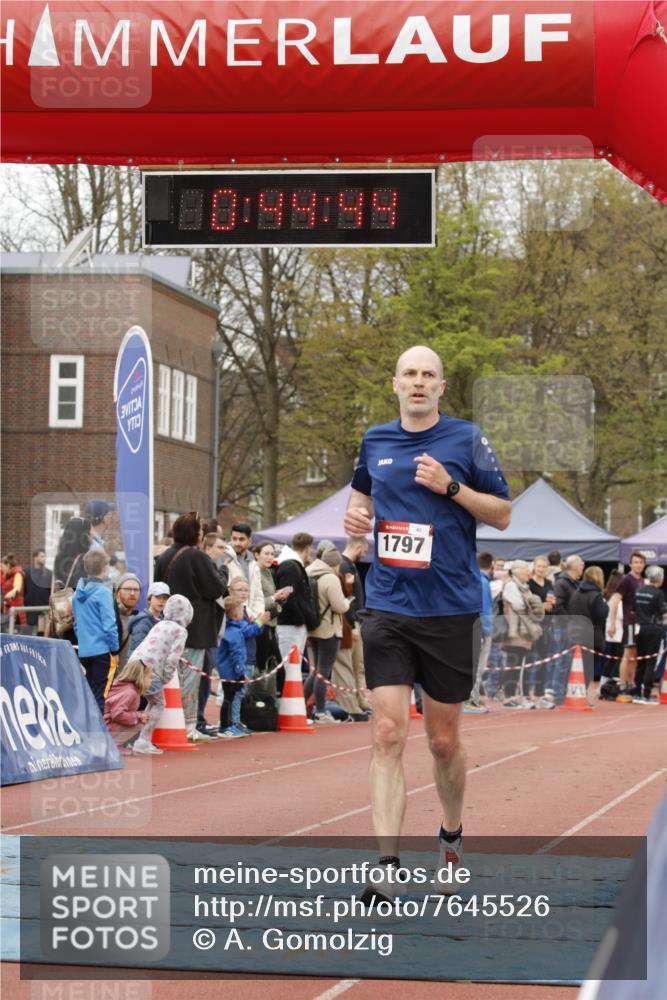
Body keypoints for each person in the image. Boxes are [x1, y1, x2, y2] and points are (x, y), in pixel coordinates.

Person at [343, 344, 511, 905]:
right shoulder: (375, 441)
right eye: (410, 374)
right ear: (395, 383)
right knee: (388, 732)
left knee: (442, 741)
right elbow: (360, 505)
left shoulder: (466, 439)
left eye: (428, 375)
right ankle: (387, 867)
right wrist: (354, 526)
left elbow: (503, 514)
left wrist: (451, 487)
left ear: (441, 387)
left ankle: (452, 837)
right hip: (388, 604)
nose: (418, 382)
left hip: (449, 607)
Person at [154, 512, 226, 743]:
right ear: (195, 533)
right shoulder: (197, 557)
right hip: (195, 628)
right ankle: (188, 725)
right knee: (190, 680)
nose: (202, 535)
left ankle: (167, 722)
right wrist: (223, 573)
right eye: (200, 531)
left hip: (168, 625)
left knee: (169, 676)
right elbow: (215, 589)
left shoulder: (164, 556)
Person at [131, 595, 194, 755]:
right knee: (159, 704)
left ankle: (136, 738)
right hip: (151, 671)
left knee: (147, 701)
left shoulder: (159, 624)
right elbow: (173, 658)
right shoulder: (180, 631)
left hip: (134, 664)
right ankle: (143, 741)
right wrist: (166, 677)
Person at [305, 547, 352, 724]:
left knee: (316, 670)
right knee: (323, 671)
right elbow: (340, 606)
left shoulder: (309, 572)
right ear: (335, 564)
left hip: (313, 627)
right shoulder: (331, 578)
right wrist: (347, 602)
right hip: (329, 629)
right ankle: (321, 712)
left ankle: (299, 706)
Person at [72, 549, 120, 714]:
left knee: (88, 695)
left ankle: (87, 727)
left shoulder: (77, 595)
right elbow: (109, 625)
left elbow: (76, 625)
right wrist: (115, 650)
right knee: (101, 696)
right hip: (102, 651)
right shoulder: (103, 593)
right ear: (105, 568)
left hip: (85, 651)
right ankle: (97, 730)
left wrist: (85, 640)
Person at [217, 595, 269, 739]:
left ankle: (230, 724)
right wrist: (240, 672)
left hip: (229, 671)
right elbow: (237, 653)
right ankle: (226, 726)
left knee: (230, 698)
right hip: (231, 672)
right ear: (235, 614)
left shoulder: (233, 628)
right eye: (241, 611)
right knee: (229, 699)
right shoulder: (233, 632)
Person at [195, 532, 230, 738]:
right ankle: (197, 720)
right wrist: (225, 571)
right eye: (220, 547)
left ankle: (200, 719)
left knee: (206, 678)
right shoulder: (209, 569)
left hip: (214, 632)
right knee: (202, 677)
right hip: (204, 631)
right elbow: (218, 590)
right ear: (208, 548)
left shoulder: (214, 568)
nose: (224, 551)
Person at [334, 536, 372, 721]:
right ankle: (352, 705)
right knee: (349, 666)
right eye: (364, 551)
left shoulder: (350, 565)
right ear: (357, 547)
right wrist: (352, 623)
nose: (364, 554)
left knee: (358, 666)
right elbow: (344, 598)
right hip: (350, 623)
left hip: (356, 621)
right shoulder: (343, 566)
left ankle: (361, 701)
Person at [501, 560, 545, 708]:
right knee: (513, 664)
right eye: (526, 569)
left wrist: (533, 604)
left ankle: (514, 696)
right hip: (515, 630)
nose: (529, 572)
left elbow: (528, 606)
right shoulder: (511, 585)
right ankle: (509, 697)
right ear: (517, 571)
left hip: (523, 631)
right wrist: (534, 603)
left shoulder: (524, 587)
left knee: (519, 664)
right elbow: (519, 605)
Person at [274, 532, 318, 666]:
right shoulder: (290, 566)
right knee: (291, 669)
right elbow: (287, 596)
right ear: (308, 547)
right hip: (290, 625)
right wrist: (299, 619)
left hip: (292, 625)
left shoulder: (292, 565)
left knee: (294, 669)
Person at [253, 541, 290, 697]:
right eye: (266, 553)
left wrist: (280, 599)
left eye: (272, 554)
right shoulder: (255, 572)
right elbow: (255, 602)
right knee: (263, 668)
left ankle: (269, 702)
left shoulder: (268, 572)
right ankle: (258, 702)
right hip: (260, 626)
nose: (270, 557)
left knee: (276, 669)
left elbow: (271, 601)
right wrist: (275, 598)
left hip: (270, 625)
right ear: (256, 555)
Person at [607, 551, 647, 694]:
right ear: (630, 564)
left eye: (641, 562)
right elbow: (614, 601)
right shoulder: (626, 580)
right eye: (636, 562)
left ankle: (631, 683)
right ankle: (623, 684)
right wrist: (612, 623)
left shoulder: (642, 581)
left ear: (644, 565)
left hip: (640, 623)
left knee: (635, 656)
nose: (638, 565)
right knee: (627, 654)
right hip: (629, 623)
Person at [568, 565, 608, 706]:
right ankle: (581, 696)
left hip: (575, 632)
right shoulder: (596, 595)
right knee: (588, 668)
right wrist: (606, 606)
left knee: (576, 667)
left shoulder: (576, 592)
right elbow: (602, 614)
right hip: (592, 635)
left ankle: (575, 694)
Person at [465, 551, 494, 713]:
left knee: (476, 666)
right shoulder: (482, 582)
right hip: (481, 628)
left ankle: (472, 698)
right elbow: (483, 609)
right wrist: (484, 631)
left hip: (475, 627)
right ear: (491, 565)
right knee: (477, 666)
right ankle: (471, 700)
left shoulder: (475, 579)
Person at [632, 565, 667, 703]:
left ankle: (636, 692)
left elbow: (633, 610)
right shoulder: (659, 593)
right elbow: (664, 614)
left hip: (639, 628)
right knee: (651, 662)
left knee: (640, 661)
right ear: (659, 579)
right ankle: (646, 693)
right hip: (653, 629)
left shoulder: (638, 590)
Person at [103, 659, 152, 754]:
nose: (151, 680)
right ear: (141, 677)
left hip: (105, 725)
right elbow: (117, 714)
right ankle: (114, 745)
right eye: (149, 677)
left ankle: (115, 743)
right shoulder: (130, 692)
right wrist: (138, 716)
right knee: (140, 721)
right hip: (107, 727)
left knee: (141, 717)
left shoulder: (125, 687)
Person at [527, 554, 557, 704]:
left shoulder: (550, 583)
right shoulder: (528, 584)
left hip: (546, 624)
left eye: (544, 567)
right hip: (532, 625)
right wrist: (541, 606)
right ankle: (526, 692)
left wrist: (552, 605)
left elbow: (552, 601)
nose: (541, 569)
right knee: (530, 658)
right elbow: (527, 604)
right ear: (534, 567)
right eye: (539, 566)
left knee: (544, 659)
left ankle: (540, 692)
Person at [226, 523, 265, 617]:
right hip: (232, 618)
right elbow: (227, 594)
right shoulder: (225, 560)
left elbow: (258, 595)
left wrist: (255, 617)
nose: (237, 543)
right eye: (234, 539)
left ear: (249, 541)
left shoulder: (254, 564)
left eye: (241, 539)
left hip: (251, 619)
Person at [128, 581, 170, 657]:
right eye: (157, 597)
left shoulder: (163, 621)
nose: (161, 601)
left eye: (165, 598)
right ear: (149, 599)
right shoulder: (143, 622)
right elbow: (138, 651)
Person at [115, 573, 142, 672]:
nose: (132, 593)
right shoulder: (110, 619)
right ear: (118, 592)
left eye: (136, 590)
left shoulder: (140, 620)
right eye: (127, 589)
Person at [601, 568, 624, 686]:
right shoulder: (617, 599)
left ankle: (603, 683)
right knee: (618, 659)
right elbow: (621, 615)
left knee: (611, 659)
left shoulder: (607, 597)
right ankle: (614, 684)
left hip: (610, 632)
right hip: (618, 632)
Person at [23, 549, 52, 635]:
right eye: (42, 556)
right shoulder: (26, 572)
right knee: (28, 637)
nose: (44, 558)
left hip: (44, 611)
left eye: (45, 556)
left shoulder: (49, 574)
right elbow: (23, 590)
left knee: (43, 636)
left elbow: (51, 592)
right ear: (35, 558)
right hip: (29, 611)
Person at [1, 552, 26, 632]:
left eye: (2, 566)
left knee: (15, 632)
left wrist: (7, 596)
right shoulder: (5, 574)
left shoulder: (18, 573)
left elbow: (17, 588)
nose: (1, 569)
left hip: (16, 609)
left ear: (8, 565)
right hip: (7, 609)